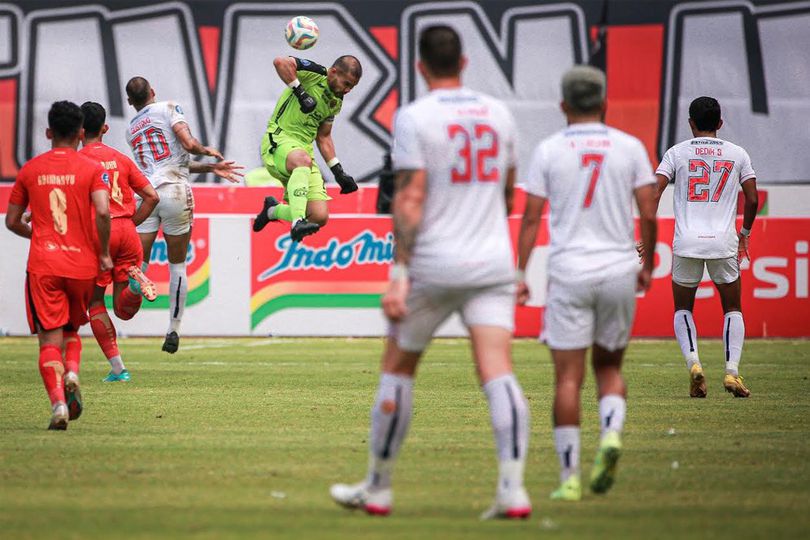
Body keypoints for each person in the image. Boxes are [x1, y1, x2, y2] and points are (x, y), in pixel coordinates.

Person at [330, 26, 531, 520]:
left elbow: (411, 198)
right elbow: (508, 195)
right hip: (491, 262)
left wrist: (399, 272)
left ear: (421, 67)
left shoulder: (415, 117)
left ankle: (378, 488)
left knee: (398, 369)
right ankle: (513, 490)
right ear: (464, 62)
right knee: (497, 370)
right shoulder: (500, 114)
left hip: (434, 265)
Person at [516, 66, 657, 501]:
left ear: (562, 106)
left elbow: (532, 217)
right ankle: (611, 433)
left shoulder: (549, 150)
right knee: (610, 367)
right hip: (618, 270)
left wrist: (520, 273)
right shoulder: (630, 147)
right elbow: (649, 213)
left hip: (570, 271)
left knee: (568, 379)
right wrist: (646, 263)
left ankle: (569, 478)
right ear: (605, 103)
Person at [5, 100, 113, 430]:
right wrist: (105, 252)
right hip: (82, 265)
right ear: (81, 134)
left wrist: (37, 233)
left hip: (44, 264)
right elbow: (104, 212)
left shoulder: (30, 169)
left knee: (49, 340)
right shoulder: (92, 169)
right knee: (71, 331)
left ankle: (58, 406)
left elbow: (12, 221)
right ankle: (72, 372)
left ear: (49, 132)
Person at [125, 76, 242, 354]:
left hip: (146, 195)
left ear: (130, 102)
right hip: (175, 192)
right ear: (153, 91)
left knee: (138, 263)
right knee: (177, 266)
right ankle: (174, 329)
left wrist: (210, 170)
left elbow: (164, 163)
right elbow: (187, 147)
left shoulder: (131, 130)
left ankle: (128, 302)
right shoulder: (168, 107)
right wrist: (207, 153)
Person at [653, 96, 758, 398]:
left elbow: (655, 190)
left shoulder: (676, 153)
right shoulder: (737, 154)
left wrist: (644, 234)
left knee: (683, 307)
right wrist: (745, 233)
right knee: (732, 307)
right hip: (723, 243)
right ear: (720, 124)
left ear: (691, 123)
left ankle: (695, 365)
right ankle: (732, 372)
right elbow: (751, 198)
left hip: (685, 242)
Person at [79, 101, 160, 382]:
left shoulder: (79, 162)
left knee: (95, 303)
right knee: (123, 310)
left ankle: (118, 368)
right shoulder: (121, 159)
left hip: (98, 233)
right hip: (127, 231)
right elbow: (152, 196)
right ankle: (135, 287)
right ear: (105, 128)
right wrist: (131, 222)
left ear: (79, 131)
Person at [251, 54, 361, 242]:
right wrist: (300, 92)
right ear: (333, 72)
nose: (348, 90)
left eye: (352, 87)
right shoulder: (315, 74)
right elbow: (280, 61)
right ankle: (297, 222)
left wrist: (338, 171)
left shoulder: (336, 101)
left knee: (318, 216)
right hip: (279, 140)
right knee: (303, 160)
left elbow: (324, 136)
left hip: (303, 154)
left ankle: (272, 210)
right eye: (346, 83)